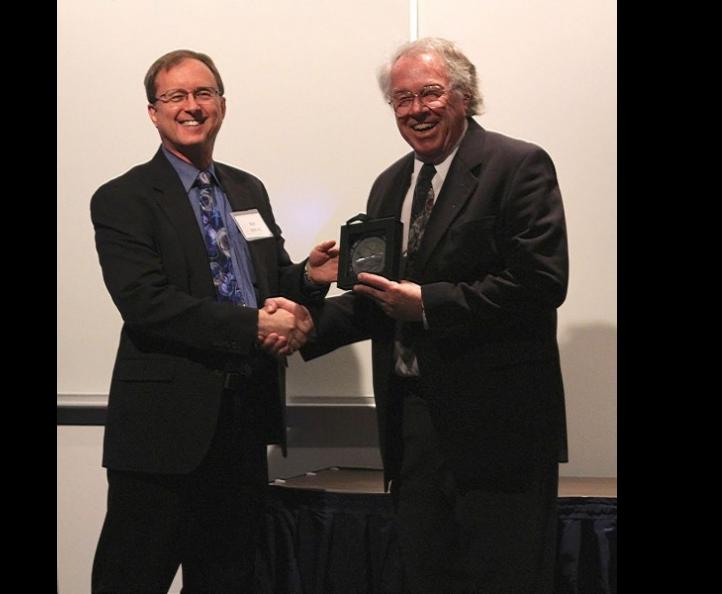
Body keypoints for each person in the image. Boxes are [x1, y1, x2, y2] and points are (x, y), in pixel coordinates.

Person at [299, 37, 569, 593]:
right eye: (402, 99)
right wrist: (304, 320)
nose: (416, 110)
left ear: (464, 96)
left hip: (499, 430)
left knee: (507, 578)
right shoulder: (389, 183)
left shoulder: (518, 165)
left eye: (430, 93)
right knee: (427, 575)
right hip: (413, 424)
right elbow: (378, 299)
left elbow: (540, 283)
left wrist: (428, 305)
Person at [89, 49, 337, 593]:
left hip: (243, 421)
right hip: (162, 434)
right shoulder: (123, 198)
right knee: (131, 578)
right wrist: (253, 326)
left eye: (203, 94)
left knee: (229, 579)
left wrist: (310, 279)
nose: (192, 106)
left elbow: (264, 288)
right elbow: (147, 303)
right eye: (175, 96)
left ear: (222, 105)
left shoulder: (247, 190)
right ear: (153, 112)